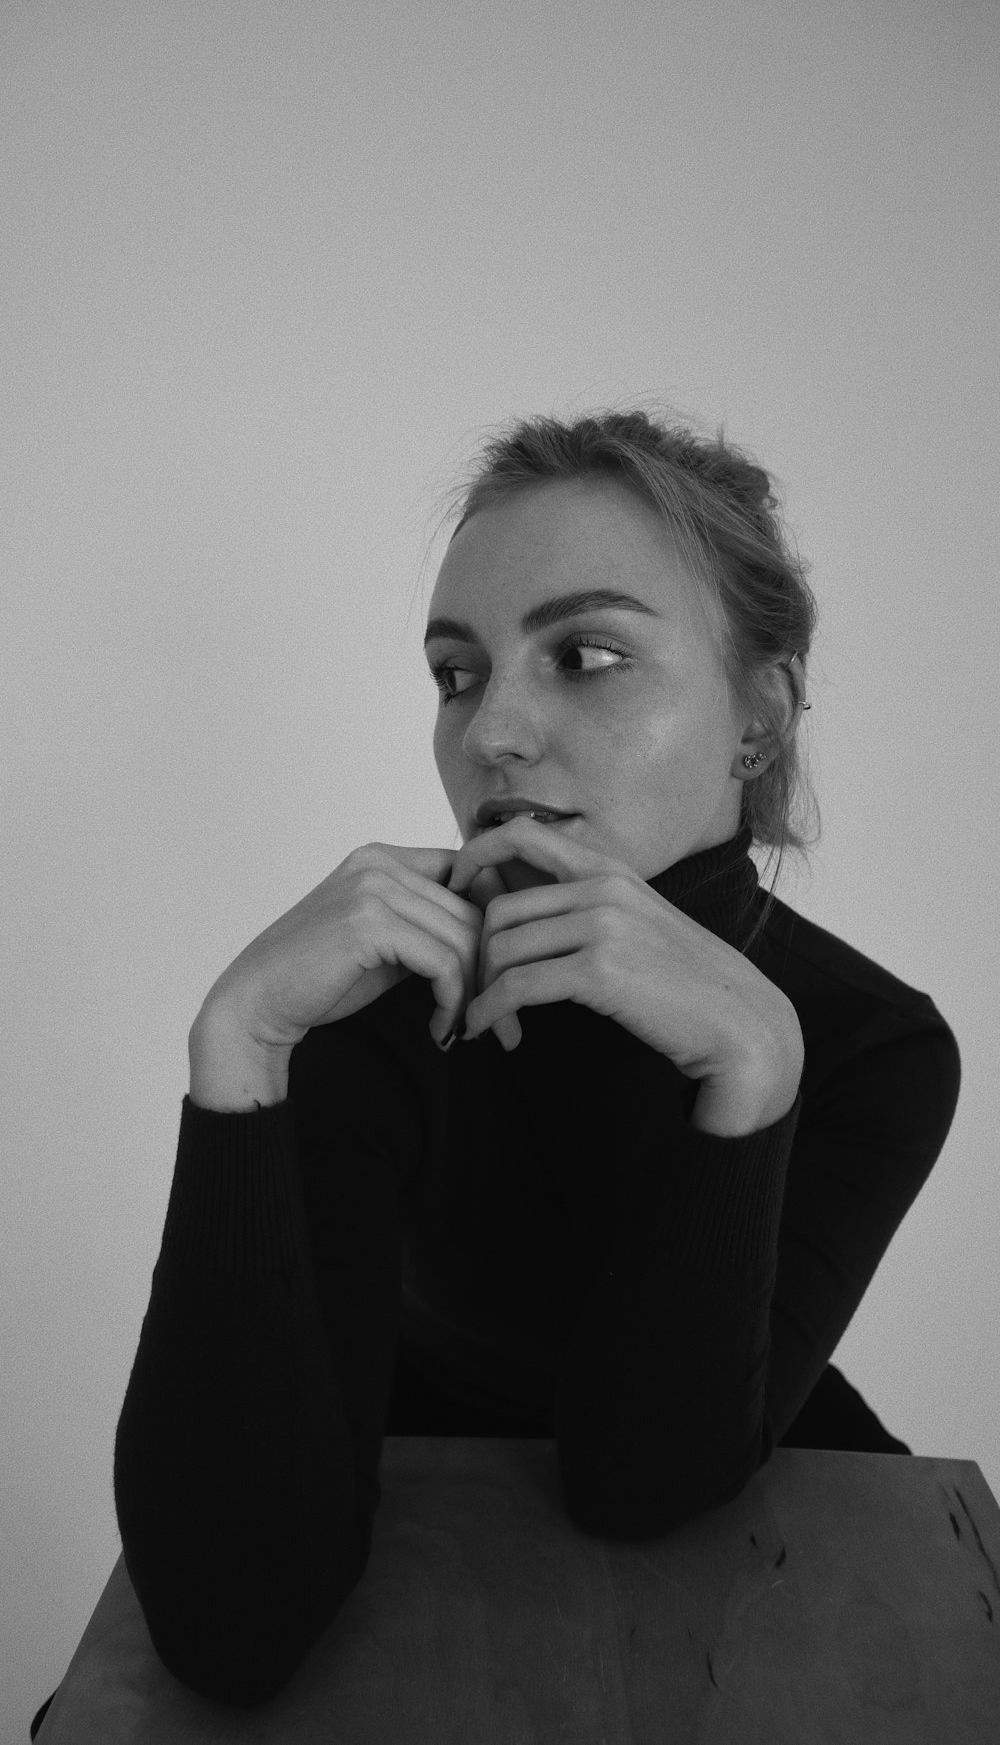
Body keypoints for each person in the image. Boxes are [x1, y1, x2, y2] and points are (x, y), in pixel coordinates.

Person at [33, 407, 960, 1731]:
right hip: (405, 1505)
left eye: (586, 655)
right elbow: (228, 1628)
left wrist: (752, 1073)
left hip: (765, 1539)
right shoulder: (376, 1008)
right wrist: (236, 1052)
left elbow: (640, 1485)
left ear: (759, 720)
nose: (492, 735)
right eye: (458, 672)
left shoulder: (868, 1042)